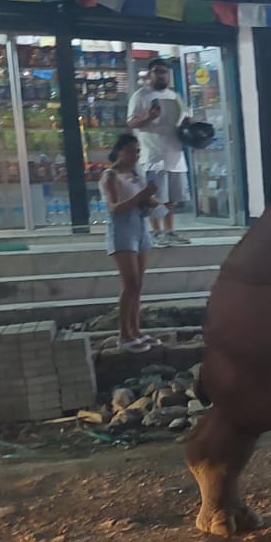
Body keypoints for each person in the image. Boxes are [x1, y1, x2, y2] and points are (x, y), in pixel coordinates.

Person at [99, 133, 159, 353]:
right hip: (122, 229)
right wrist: (140, 196)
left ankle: (136, 329)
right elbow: (114, 207)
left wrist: (151, 198)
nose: (135, 156)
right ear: (119, 151)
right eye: (132, 151)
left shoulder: (135, 174)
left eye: (138, 152)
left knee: (138, 284)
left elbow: (144, 200)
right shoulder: (110, 176)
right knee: (130, 283)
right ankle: (124, 334)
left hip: (140, 226)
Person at [127, 58, 192, 247]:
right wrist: (149, 117)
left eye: (164, 71)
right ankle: (155, 232)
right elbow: (131, 123)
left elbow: (182, 120)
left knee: (172, 198)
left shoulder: (175, 96)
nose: (161, 75)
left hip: (176, 154)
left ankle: (169, 231)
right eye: (157, 71)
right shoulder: (140, 96)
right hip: (153, 155)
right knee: (155, 198)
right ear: (150, 74)